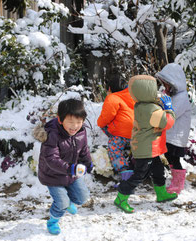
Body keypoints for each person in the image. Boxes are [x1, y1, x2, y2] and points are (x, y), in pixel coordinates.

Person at [114, 75, 178, 213]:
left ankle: (161, 194)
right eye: (154, 90)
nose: (157, 93)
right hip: (146, 149)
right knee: (139, 175)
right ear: (147, 92)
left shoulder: (143, 105)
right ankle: (121, 197)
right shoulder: (151, 110)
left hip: (149, 148)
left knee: (158, 170)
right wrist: (169, 109)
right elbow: (167, 122)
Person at [38, 98, 93, 235]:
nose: (75, 126)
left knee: (82, 197)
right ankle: (53, 221)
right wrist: (71, 169)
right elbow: (51, 158)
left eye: (79, 122)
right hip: (53, 175)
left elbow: (84, 149)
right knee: (61, 203)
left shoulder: (81, 131)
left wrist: (87, 163)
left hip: (71, 173)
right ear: (60, 120)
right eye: (71, 122)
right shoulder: (52, 134)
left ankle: (68, 203)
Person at [155, 63, 191, 194]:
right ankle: (176, 180)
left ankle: (178, 183)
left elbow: (172, 113)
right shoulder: (174, 95)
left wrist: (165, 105)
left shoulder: (181, 97)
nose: (165, 86)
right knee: (170, 157)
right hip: (170, 134)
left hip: (176, 136)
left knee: (174, 159)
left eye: (167, 84)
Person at [97, 77, 135, 180]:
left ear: (110, 88)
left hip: (121, 134)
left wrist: (99, 123)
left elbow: (105, 118)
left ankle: (124, 170)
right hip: (137, 133)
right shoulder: (134, 94)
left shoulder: (113, 97)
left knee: (114, 148)